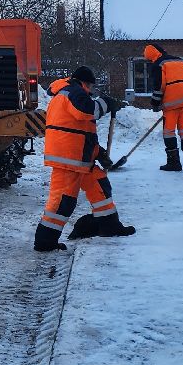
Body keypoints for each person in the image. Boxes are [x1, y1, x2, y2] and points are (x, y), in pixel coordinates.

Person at [35, 66, 135, 252]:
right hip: (68, 160)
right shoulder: (72, 92)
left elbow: (81, 131)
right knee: (62, 202)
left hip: (80, 158)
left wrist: (98, 152)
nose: (90, 91)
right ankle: (45, 241)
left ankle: (109, 226)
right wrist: (106, 103)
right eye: (89, 86)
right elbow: (88, 111)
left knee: (99, 186)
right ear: (84, 83)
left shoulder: (72, 92)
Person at [143, 43, 183, 172]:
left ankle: (173, 163)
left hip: (172, 102)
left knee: (169, 131)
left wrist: (155, 103)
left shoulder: (158, 65)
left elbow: (160, 86)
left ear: (151, 56)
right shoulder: (181, 61)